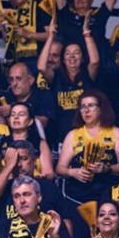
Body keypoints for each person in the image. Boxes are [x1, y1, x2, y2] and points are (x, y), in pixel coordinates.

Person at [56, 90, 119, 204]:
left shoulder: (115, 132)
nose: (86, 110)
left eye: (91, 105)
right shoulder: (73, 135)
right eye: (83, 107)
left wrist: (107, 168)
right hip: (78, 195)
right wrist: (73, 172)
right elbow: (60, 168)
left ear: (101, 109)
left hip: (108, 194)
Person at [39, 18, 100, 148]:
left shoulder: (87, 75)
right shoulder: (56, 77)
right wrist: (50, 37)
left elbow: (95, 61)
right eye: (67, 53)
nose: (72, 56)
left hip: (86, 135)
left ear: (82, 58)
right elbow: (41, 67)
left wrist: (86, 32)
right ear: (63, 60)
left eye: (76, 53)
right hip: (61, 136)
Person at [1, 0, 51, 66]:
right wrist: (1, 25)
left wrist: (29, 34)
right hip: (18, 60)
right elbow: (8, 42)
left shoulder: (39, 8)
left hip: (38, 59)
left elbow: (51, 35)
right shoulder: (12, 13)